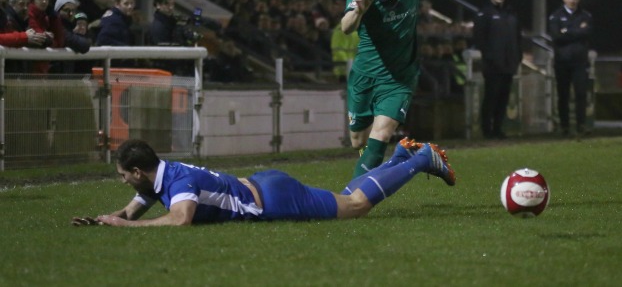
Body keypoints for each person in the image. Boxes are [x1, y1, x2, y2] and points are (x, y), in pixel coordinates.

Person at [71, 137, 455, 227]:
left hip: (272, 200)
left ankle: (421, 158)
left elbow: (181, 218)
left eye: (124, 177)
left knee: (355, 206)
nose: (124, 183)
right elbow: (137, 205)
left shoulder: (179, 184)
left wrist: (128, 228)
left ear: (138, 172)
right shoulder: (161, 176)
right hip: (265, 184)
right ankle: (401, 158)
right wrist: (110, 219)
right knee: (345, 197)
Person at [341, 0, 454, 178]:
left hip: (400, 76)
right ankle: (420, 156)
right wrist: (360, 10)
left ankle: (351, 199)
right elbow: (346, 26)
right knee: (359, 141)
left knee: (381, 136)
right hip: (366, 74)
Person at [472, 0, 522, 139]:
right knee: (491, 97)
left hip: (508, 64)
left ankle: (498, 129)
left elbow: (518, 38)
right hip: (493, 65)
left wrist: (517, 57)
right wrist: (490, 58)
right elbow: (480, 39)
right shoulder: (484, 13)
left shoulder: (511, 13)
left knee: (503, 98)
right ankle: (487, 130)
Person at [548, 0, 593, 136]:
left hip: (580, 62)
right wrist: (577, 31)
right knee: (563, 95)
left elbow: (587, 33)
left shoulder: (585, 15)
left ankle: (581, 125)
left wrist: (567, 31)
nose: (572, 1)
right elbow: (557, 36)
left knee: (581, 94)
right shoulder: (556, 16)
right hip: (562, 62)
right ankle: (564, 126)